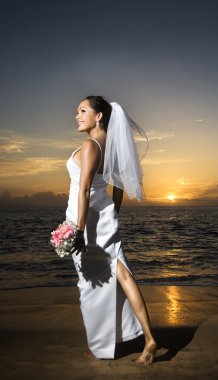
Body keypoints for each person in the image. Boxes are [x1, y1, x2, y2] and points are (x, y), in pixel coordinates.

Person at [65, 95, 157, 365]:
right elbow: (119, 184)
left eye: (83, 110)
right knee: (123, 277)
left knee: (90, 287)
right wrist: (114, 211)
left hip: (89, 222)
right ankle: (149, 338)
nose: (77, 116)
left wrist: (79, 230)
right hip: (103, 215)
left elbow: (82, 190)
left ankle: (101, 345)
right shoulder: (112, 146)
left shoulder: (90, 145)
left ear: (99, 116)